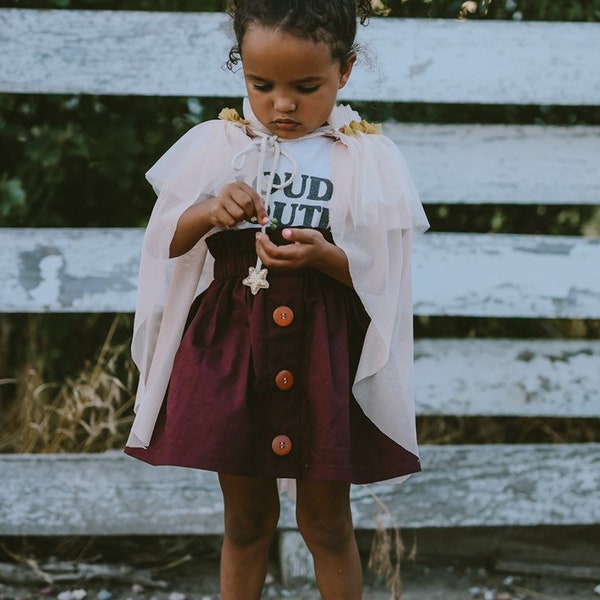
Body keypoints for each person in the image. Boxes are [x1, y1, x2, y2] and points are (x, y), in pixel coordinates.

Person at [125, 1, 429, 598]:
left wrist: (325, 256)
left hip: (323, 352)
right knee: (245, 519)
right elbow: (165, 241)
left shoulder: (364, 156)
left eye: (306, 86)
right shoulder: (220, 145)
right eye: (261, 85)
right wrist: (211, 211)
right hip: (234, 347)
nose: (282, 104)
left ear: (345, 71)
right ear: (240, 69)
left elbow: (384, 276)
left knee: (325, 521)